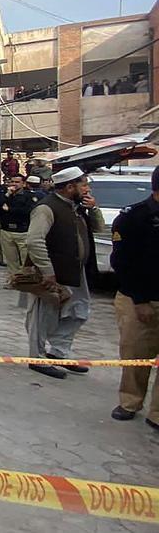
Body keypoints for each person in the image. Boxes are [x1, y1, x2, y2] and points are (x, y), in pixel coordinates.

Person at [24, 167, 96, 379]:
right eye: (83, 185)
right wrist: (47, 271)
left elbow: (98, 228)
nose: (87, 189)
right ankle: (36, 357)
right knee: (41, 316)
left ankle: (59, 352)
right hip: (51, 272)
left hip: (75, 271)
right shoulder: (46, 208)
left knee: (78, 311)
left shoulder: (77, 207)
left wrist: (93, 209)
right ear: (70, 187)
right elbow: (34, 240)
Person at [109, 166, 159, 431]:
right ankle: (130, 402)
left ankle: (157, 413)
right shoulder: (134, 218)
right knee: (136, 355)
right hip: (139, 300)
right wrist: (140, 300)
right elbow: (122, 262)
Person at [0, 174, 41, 284]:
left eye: (17, 182)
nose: (14, 184)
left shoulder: (28, 196)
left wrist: (10, 209)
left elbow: (27, 211)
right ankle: (14, 280)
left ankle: (26, 280)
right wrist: (7, 195)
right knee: (11, 259)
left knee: (25, 258)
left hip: (22, 230)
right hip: (6, 230)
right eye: (12, 181)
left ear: (23, 183)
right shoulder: (5, 195)